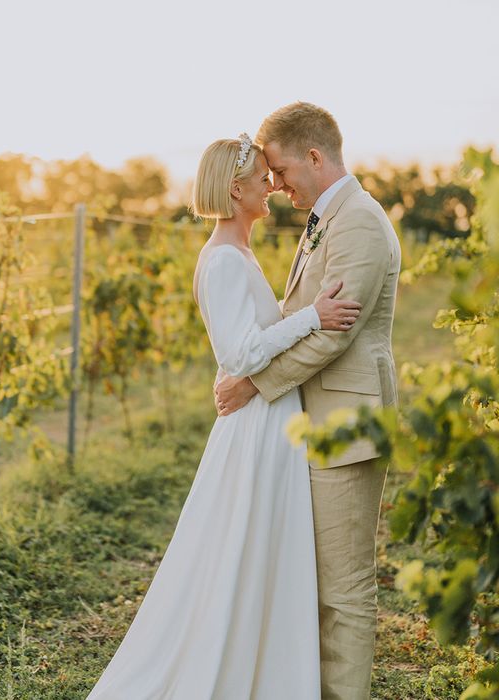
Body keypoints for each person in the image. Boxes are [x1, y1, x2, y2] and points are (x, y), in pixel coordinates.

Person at [86, 132, 362, 699]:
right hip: (256, 431)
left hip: (269, 422)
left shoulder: (238, 254)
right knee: (244, 554)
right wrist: (312, 316)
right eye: (263, 177)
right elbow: (240, 355)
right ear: (237, 190)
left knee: (261, 555)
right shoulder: (224, 262)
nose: (273, 185)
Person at [214, 102, 402, 700]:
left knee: (343, 592)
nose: (277, 185)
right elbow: (304, 317)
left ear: (314, 157)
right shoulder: (330, 217)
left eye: (282, 170)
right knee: (320, 584)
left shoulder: (359, 223)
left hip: (348, 422)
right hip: (319, 420)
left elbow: (333, 332)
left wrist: (255, 382)